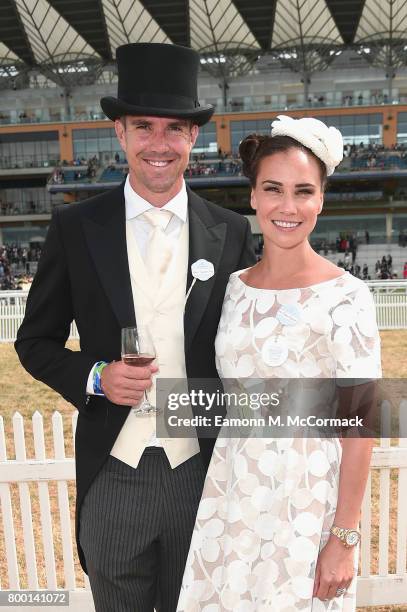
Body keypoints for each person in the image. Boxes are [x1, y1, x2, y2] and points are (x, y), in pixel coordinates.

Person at [15, 43, 256, 612]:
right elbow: (34, 342)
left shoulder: (230, 232)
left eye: (174, 129)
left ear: (193, 138)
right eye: (143, 126)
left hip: (200, 470)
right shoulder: (75, 228)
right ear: (119, 132)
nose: (158, 144)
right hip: (114, 472)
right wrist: (96, 376)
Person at [177, 115, 381, 611]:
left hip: (307, 504)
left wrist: (343, 537)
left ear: (321, 200)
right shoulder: (232, 290)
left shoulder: (347, 296)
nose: (287, 207)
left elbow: (363, 423)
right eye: (273, 189)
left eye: (303, 191)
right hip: (232, 497)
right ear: (252, 196)